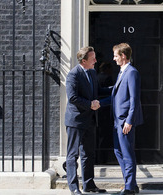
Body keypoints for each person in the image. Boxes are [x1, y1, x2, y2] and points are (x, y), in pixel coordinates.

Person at [102, 43, 144, 195]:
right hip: (117, 121)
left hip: (124, 121)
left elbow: (134, 99)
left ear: (123, 56)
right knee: (118, 151)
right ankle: (131, 183)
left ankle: (129, 189)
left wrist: (129, 120)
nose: (113, 59)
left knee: (127, 153)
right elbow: (114, 96)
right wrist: (98, 103)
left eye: (115, 56)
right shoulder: (121, 72)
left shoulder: (132, 72)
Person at [65, 46, 107, 195]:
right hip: (76, 120)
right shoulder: (73, 75)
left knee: (88, 154)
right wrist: (90, 104)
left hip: (89, 120)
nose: (96, 60)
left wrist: (117, 88)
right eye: (93, 58)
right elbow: (72, 97)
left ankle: (89, 185)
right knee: (72, 155)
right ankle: (73, 187)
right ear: (84, 61)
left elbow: (98, 91)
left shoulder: (92, 72)